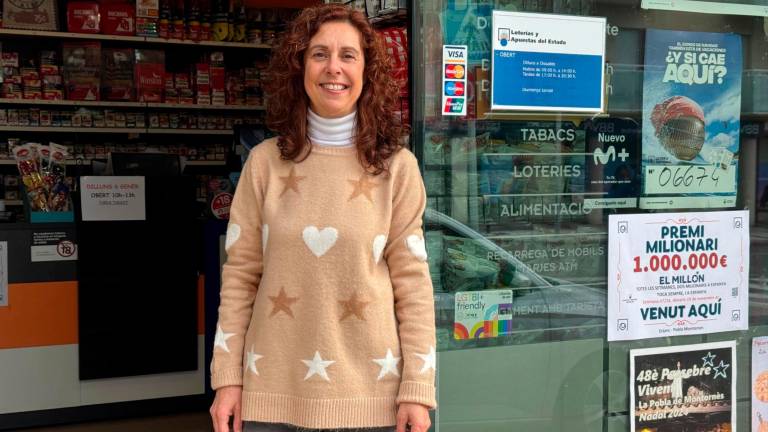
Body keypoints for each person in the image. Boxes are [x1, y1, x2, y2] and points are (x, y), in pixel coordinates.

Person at [209, 4, 436, 432]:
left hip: (372, 401)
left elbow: (414, 286)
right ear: (300, 66)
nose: (334, 68)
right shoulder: (264, 164)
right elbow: (239, 276)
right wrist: (227, 380)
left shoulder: (397, 168)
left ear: (367, 70)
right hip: (270, 396)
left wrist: (418, 390)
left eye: (348, 55)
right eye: (319, 54)